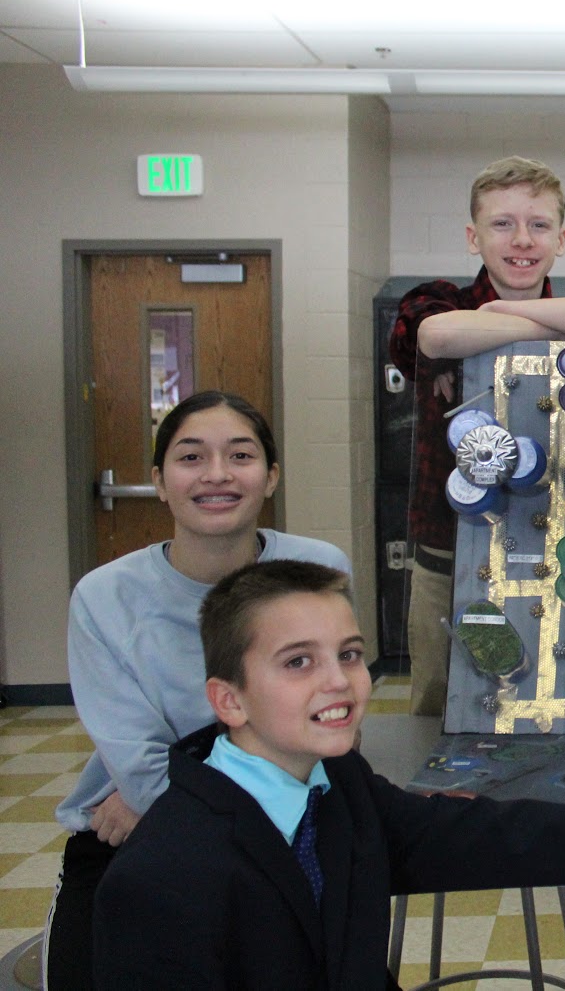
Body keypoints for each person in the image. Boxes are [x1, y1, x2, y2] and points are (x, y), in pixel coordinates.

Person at [93, 561, 565, 989]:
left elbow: (500, 835)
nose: (339, 682)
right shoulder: (164, 875)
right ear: (229, 700)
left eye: (349, 654)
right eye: (298, 661)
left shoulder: (339, 789)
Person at [45, 391, 351, 991]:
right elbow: (139, 768)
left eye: (240, 455)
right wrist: (156, 794)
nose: (217, 474)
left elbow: (328, 727)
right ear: (160, 482)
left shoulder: (316, 570)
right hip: (133, 837)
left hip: (281, 830)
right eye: (191, 457)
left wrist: (168, 791)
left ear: (271, 476)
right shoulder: (103, 597)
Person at [389, 156, 565, 715]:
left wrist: (502, 313)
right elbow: (436, 336)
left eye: (539, 225)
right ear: (473, 237)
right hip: (449, 555)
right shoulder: (437, 301)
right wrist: (551, 322)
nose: (522, 240)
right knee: (442, 708)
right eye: (502, 224)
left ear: (561, 239)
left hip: (557, 545)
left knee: (558, 702)